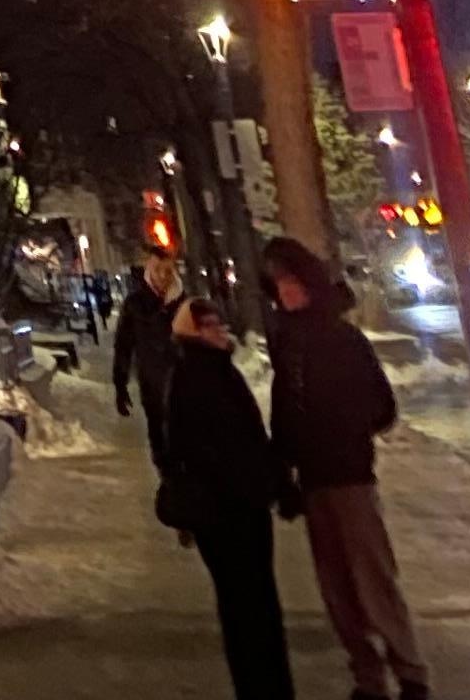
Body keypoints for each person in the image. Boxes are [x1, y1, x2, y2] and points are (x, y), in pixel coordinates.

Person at [265, 238, 427, 700]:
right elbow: (284, 412)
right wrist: (284, 469)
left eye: (292, 282)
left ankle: (410, 672)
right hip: (314, 480)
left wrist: (345, 431)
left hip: (350, 477)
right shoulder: (287, 343)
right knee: (337, 590)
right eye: (279, 284)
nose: (286, 292)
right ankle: (368, 676)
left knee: (373, 580)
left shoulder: (342, 339)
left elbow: (381, 406)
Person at [158, 293, 296, 700]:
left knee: (255, 604)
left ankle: (269, 686)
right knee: (247, 607)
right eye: (209, 325)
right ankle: (263, 689)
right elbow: (204, 450)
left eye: (219, 322)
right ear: (191, 333)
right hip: (227, 516)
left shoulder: (218, 371)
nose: (219, 330)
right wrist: (259, 484)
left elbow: (249, 439)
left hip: (242, 510)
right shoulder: (194, 378)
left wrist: (274, 482)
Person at [113, 243, 185, 471]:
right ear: (149, 270)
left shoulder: (185, 304)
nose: (163, 276)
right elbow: (123, 345)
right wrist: (120, 384)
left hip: (185, 386)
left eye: (168, 271)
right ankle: (169, 482)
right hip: (152, 387)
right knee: (160, 443)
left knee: (187, 443)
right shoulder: (135, 305)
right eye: (158, 270)